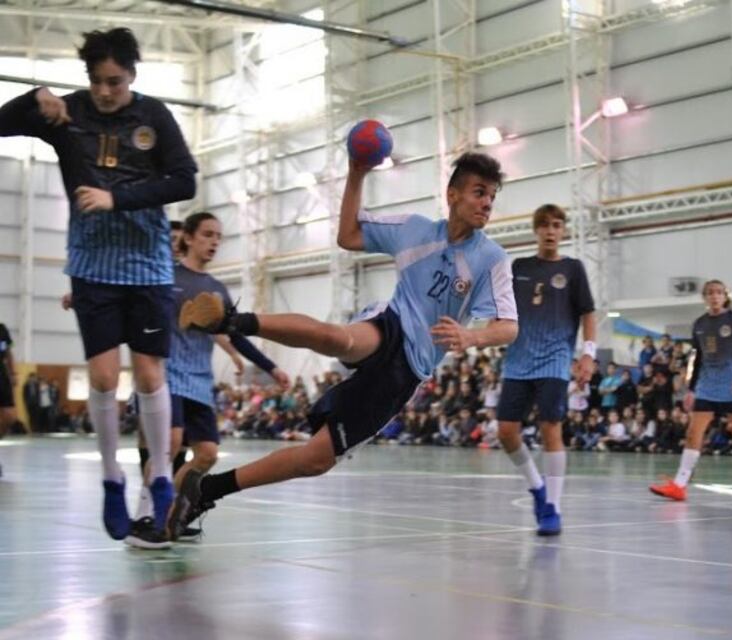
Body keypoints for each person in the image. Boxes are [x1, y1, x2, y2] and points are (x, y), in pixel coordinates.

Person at [166, 152, 518, 539]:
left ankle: (207, 489)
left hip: (409, 372)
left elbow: (508, 327)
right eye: (479, 192)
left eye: (492, 196)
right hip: (391, 324)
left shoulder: (492, 259)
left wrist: (471, 336)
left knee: (316, 460)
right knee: (339, 338)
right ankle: (231, 320)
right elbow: (348, 235)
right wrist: (356, 173)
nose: (487, 203)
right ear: (452, 195)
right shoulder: (415, 229)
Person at [0, 28, 197, 540]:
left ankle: (157, 475)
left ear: (132, 74)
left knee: (151, 376)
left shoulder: (153, 115)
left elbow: (184, 180)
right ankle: (111, 476)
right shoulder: (70, 113)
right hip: (91, 264)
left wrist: (117, 199)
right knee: (106, 378)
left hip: (148, 264)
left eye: (114, 81)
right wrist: (31, 100)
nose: (105, 92)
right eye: (96, 81)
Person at [125, 212, 289, 548]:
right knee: (168, 444)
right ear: (187, 237)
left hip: (199, 378)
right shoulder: (165, 276)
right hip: (166, 372)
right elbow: (134, 309)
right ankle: (143, 517)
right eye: (207, 234)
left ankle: (173, 514)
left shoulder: (216, 290)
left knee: (207, 454)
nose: (214, 241)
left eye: (218, 236)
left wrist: (270, 367)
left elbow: (235, 334)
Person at [494, 204, 594, 535]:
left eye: (557, 225)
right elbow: (502, 307)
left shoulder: (574, 268)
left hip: (555, 359)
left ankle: (553, 506)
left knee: (551, 427)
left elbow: (587, 314)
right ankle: (536, 486)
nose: (551, 231)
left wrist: (588, 355)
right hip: (518, 360)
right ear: (535, 230)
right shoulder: (518, 267)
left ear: (563, 230)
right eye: (545, 226)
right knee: (506, 431)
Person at [649, 280, 732, 501]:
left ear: (725, 296)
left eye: (719, 292)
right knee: (693, 433)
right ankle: (680, 485)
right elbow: (698, 358)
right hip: (706, 387)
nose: (714, 296)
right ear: (704, 297)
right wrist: (691, 389)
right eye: (710, 293)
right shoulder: (699, 323)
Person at [0, 322, 16, 477]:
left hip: (2, 376)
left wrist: (13, 373)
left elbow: (9, 352)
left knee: (10, 416)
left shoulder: (2, 328)